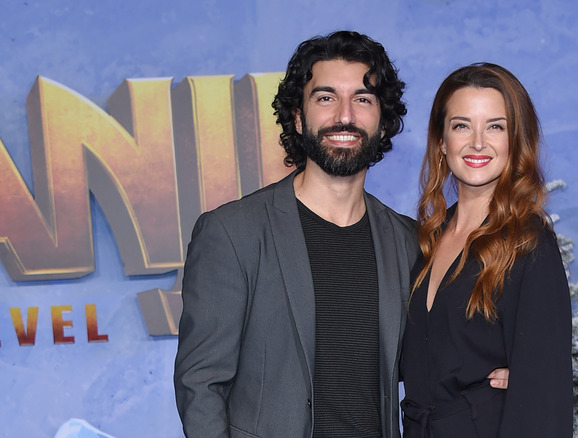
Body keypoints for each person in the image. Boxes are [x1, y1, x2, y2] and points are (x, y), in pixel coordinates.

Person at [173, 31, 508, 438]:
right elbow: (201, 385)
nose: (344, 116)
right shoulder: (232, 233)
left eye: (363, 99)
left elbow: (429, 359)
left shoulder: (409, 242)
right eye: (325, 98)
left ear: (383, 124)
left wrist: (506, 373)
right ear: (298, 116)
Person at [400, 63, 573, 437]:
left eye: (495, 126)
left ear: (516, 140)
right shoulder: (428, 238)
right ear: (442, 142)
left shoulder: (529, 242)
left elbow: (546, 398)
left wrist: (527, 378)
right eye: (462, 125)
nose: (478, 142)